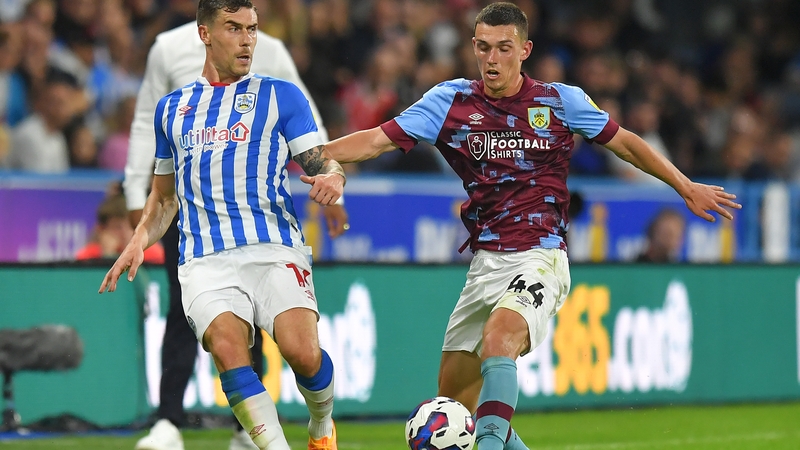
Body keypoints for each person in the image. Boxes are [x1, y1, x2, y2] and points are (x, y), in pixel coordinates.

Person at [325, 3, 741, 449]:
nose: (492, 59)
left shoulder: (559, 101)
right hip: (486, 262)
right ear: (473, 48)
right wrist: (308, 153)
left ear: (524, 50)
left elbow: (626, 144)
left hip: (541, 256)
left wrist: (683, 185)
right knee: (456, 409)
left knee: (500, 337)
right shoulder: (450, 102)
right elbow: (373, 141)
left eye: (504, 48)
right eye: (483, 48)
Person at [100, 1, 344, 450]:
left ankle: (321, 424)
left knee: (303, 354)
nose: (247, 39)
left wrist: (334, 175)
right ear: (205, 34)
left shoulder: (281, 95)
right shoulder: (172, 109)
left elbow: (320, 157)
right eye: (234, 28)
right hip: (205, 259)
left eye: (251, 29)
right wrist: (138, 239)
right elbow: (165, 196)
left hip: (273, 246)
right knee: (230, 351)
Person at [76, 193, 165, 263]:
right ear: (102, 230)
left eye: (131, 226)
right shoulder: (87, 257)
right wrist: (108, 256)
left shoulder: (153, 254)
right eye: (117, 227)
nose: (125, 233)